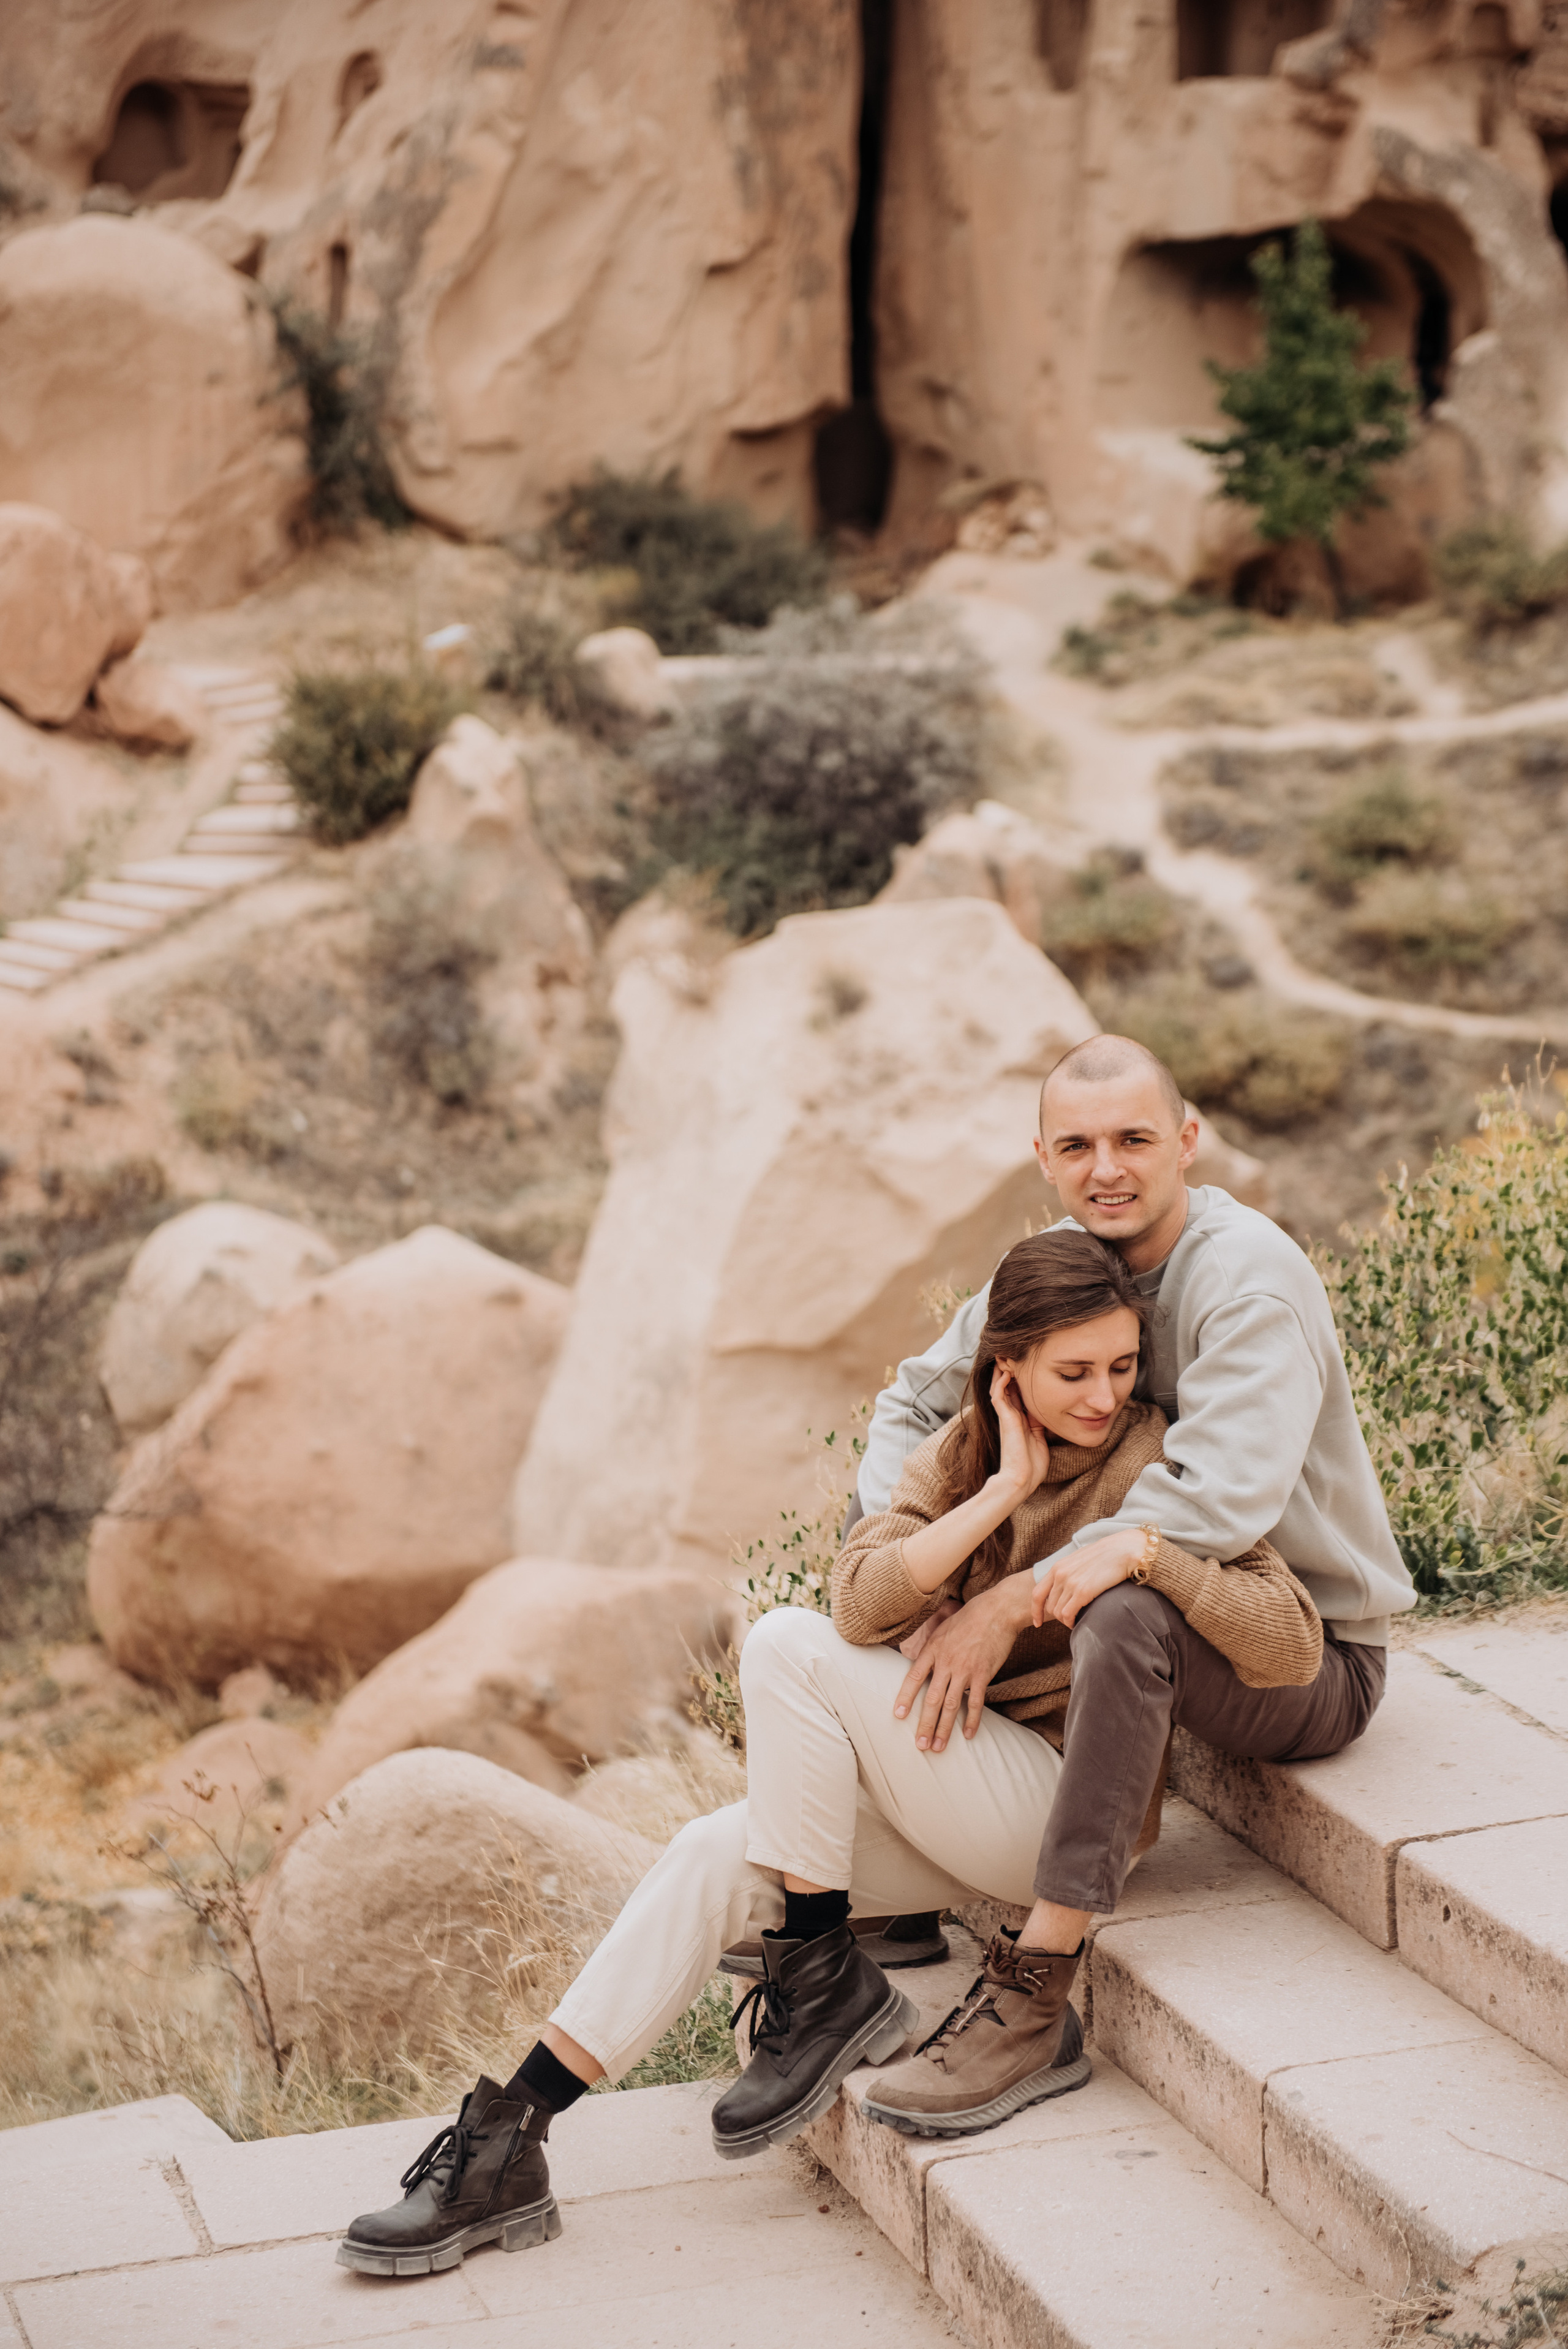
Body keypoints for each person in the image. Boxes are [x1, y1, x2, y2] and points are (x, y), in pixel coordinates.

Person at [335, 1222, 1322, 2276]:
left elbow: (1288, 1639)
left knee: (785, 1642)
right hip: (954, 1792)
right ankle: (512, 2136)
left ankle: (824, 1982)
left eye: (1123, 1366)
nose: (1102, 1394)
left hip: (1061, 1816)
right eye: (1073, 1372)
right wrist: (996, 1492)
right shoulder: (964, 1456)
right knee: (714, 1852)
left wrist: (1152, 1556)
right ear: (1008, 1371)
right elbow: (864, 1594)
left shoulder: (1143, 1455)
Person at [835, 1031, 1416, 2128]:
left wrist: (1010, 1597)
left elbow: (1215, 1505)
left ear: (1188, 1141)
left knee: (1129, 1597)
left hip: (1303, 1648)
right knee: (893, 1542)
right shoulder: (1071, 1256)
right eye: (1080, 1144)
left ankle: (1035, 1991)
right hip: (1149, 1631)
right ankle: (899, 1882)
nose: (1109, 1166)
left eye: (1136, 1138)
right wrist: (931, 1575)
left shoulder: (1248, 1281)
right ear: (1044, 1158)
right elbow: (917, 1403)